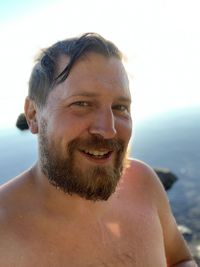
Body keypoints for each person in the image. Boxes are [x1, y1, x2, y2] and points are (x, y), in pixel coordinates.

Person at [0, 33, 197, 267]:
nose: (108, 129)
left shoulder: (143, 181)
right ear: (33, 115)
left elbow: (179, 259)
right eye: (82, 104)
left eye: (120, 107)